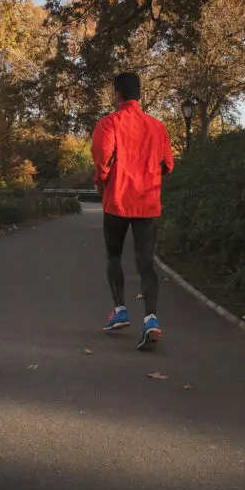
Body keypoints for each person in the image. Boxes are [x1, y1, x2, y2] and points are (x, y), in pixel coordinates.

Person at [91, 72, 174, 350]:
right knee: (146, 262)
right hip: (147, 203)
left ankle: (120, 310)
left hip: (117, 200)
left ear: (118, 94)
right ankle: (151, 319)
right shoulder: (158, 127)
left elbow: (102, 160)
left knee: (114, 255)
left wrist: (102, 183)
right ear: (139, 94)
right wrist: (149, 177)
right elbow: (168, 164)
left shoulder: (108, 123)